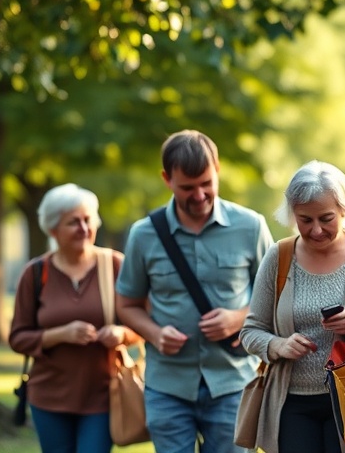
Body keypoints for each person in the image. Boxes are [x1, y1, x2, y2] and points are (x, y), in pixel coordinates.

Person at [116, 130, 273, 453]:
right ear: (166, 179)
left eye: (206, 183)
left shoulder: (251, 226)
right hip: (167, 385)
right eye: (187, 187)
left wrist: (237, 317)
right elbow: (126, 303)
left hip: (233, 383)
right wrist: (155, 334)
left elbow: (277, 295)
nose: (199, 195)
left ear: (217, 170)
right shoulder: (143, 235)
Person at [240, 161, 345, 453]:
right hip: (292, 401)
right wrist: (278, 345)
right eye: (305, 220)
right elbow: (250, 331)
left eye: (326, 218)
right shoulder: (279, 257)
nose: (316, 229)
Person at [8, 183, 141, 453]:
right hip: (48, 397)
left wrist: (122, 334)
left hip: (104, 396)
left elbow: (143, 322)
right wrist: (61, 334)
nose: (83, 228)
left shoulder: (115, 265)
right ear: (53, 229)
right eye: (73, 222)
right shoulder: (35, 274)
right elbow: (18, 337)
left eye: (87, 219)